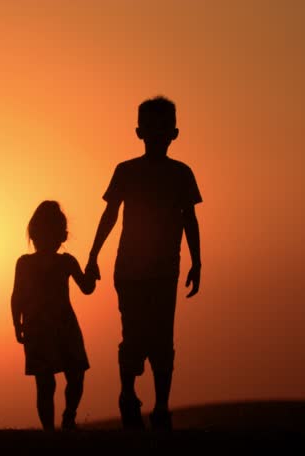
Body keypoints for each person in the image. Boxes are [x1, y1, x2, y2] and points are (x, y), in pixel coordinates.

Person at [85, 96, 202, 431]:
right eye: (150, 128)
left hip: (166, 271)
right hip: (131, 270)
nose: (156, 134)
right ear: (139, 132)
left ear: (174, 133)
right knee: (134, 334)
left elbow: (189, 219)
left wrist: (197, 262)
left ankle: (162, 406)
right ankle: (128, 393)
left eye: (162, 128)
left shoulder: (182, 174)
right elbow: (110, 214)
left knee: (163, 337)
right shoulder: (126, 171)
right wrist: (93, 255)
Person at [11, 200, 97, 431]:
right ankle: (54, 427)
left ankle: (65, 420)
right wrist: (16, 324)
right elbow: (17, 295)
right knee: (51, 381)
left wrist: (17, 325)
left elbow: (87, 287)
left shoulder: (63, 262)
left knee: (67, 377)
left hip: (52, 325)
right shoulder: (28, 263)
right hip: (45, 326)